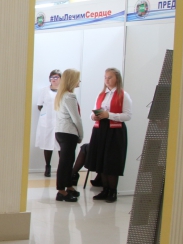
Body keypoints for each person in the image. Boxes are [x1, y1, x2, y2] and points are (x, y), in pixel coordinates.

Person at [86, 68, 132, 203]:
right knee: (101, 160)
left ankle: (112, 191)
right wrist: (93, 116)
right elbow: (93, 112)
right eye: (105, 77)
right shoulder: (101, 94)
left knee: (111, 161)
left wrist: (109, 115)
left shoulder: (123, 95)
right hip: (100, 130)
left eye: (110, 77)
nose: (107, 80)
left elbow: (128, 115)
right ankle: (104, 190)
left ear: (117, 78)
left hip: (115, 131)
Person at [53, 69, 83, 202]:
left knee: (68, 161)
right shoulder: (70, 96)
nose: (79, 81)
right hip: (68, 132)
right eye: (78, 78)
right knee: (65, 162)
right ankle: (61, 191)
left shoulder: (61, 95)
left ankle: (69, 186)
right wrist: (81, 134)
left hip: (60, 132)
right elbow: (76, 119)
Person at [36, 70, 61, 177]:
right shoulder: (44, 90)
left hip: (59, 120)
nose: (53, 79)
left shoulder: (63, 91)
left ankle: (61, 168)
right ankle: (48, 166)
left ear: (61, 79)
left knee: (60, 144)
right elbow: (39, 105)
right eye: (52, 77)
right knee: (47, 143)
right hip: (47, 121)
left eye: (56, 77)